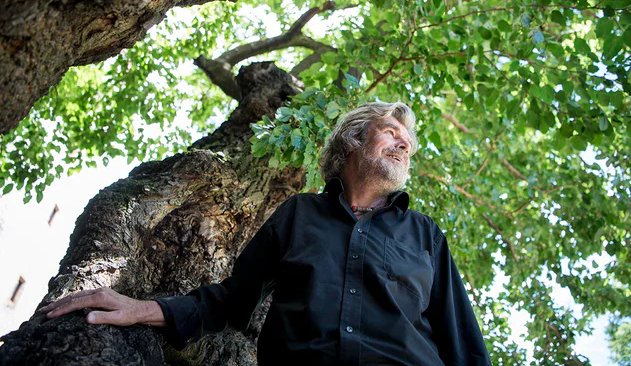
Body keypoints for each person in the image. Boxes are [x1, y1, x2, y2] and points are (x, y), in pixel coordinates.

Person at [41, 102, 491, 365]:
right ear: (353, 140)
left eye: (408, 143)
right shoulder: (298, 214)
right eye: (391, 133)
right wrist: (143, 308)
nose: (403, 145)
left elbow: (464, 344)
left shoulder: (426, 235)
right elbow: (231, 300)